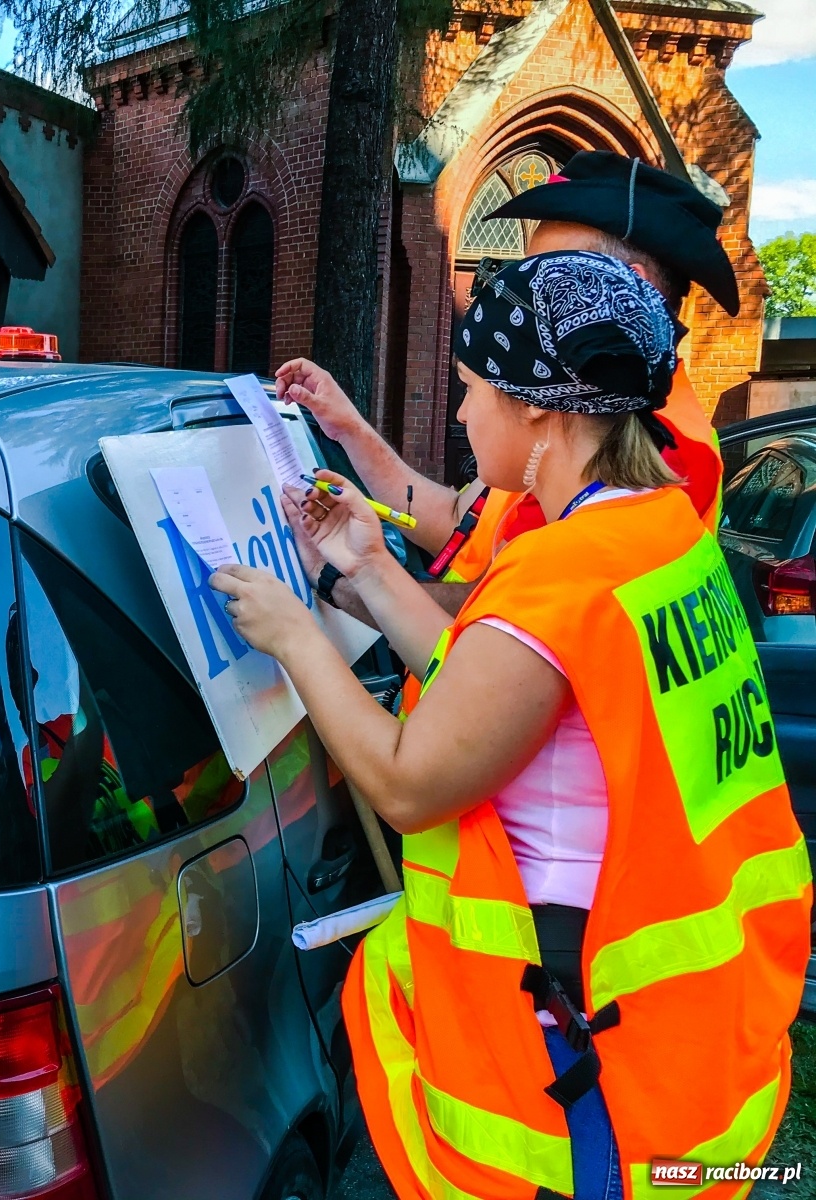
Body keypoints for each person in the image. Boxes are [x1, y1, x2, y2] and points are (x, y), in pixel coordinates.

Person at [210, 251, 809, 1199]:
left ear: (540, 409)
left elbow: (410, 782)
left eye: (471, 389)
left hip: (586, 1082)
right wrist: (367, 567)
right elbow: (484, 678)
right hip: (682, 1043)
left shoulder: (565, 577)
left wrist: (299, 638)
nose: (458, 413)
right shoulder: (656, 531)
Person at [287, 152, 736, 622]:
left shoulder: (659, 443)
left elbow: (517, 615)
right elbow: (458, 522)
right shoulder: (558, 405)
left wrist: (339, 584)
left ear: (622, 287)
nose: (520, 289)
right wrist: (349, 428)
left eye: (546, 271)